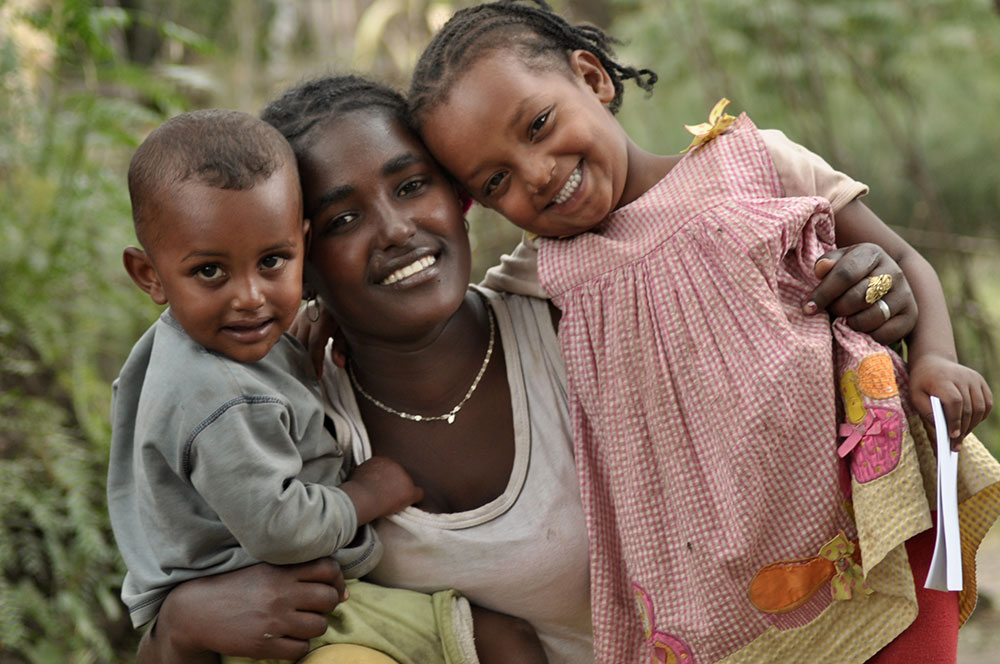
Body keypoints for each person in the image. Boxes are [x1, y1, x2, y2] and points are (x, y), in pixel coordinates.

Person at [406, 1, 1000, 662]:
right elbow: (439, 320)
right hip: (720, 585)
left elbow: (906, 262)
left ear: (593, 77)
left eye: (539, 125)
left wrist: (934, 360)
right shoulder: (544, 275)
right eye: (496, 180)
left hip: (871, 511)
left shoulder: (753, 163)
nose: (537, 174)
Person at [108, 108, 504, 664]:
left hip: (266, 602)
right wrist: (365, 495)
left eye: (272, 261)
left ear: (302, 246)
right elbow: (280, 529)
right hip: (277, 609)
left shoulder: (187, 348)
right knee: (500, 642)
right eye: (210, 272)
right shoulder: (222, 396)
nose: (249, 297)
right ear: (148, 274)